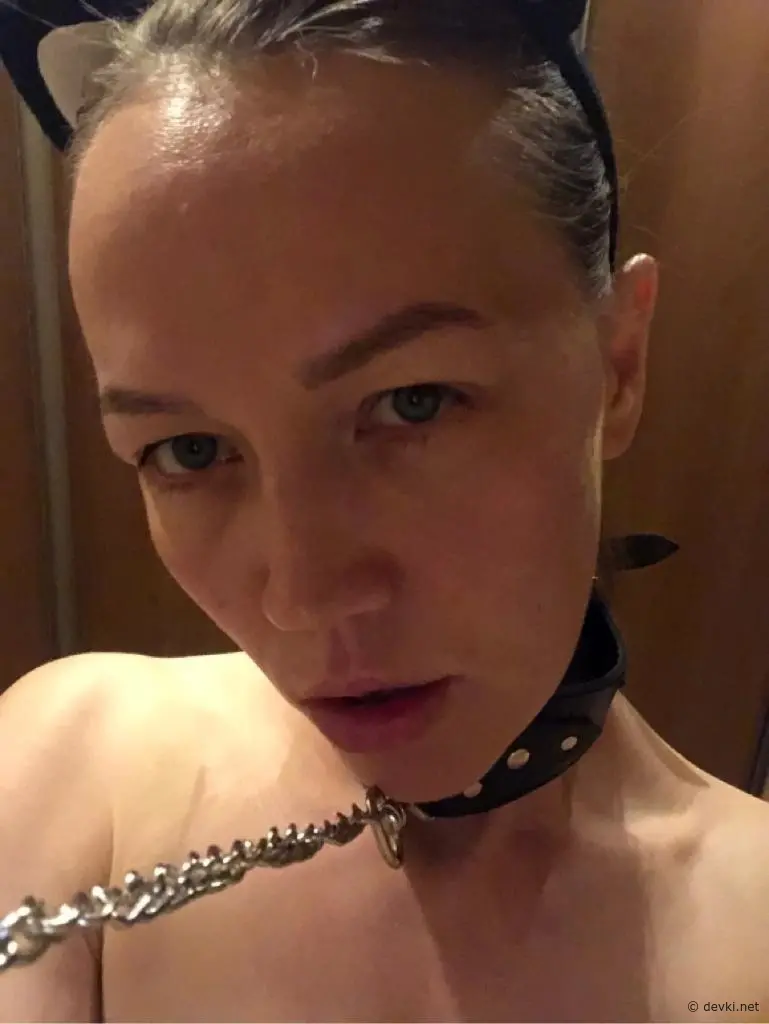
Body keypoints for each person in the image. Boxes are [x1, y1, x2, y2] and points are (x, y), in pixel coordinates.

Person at [0, 0, 768, 1020]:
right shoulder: (73, 759)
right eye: (188, 450)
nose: (303, 597)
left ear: (617, 365)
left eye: (412, 402)